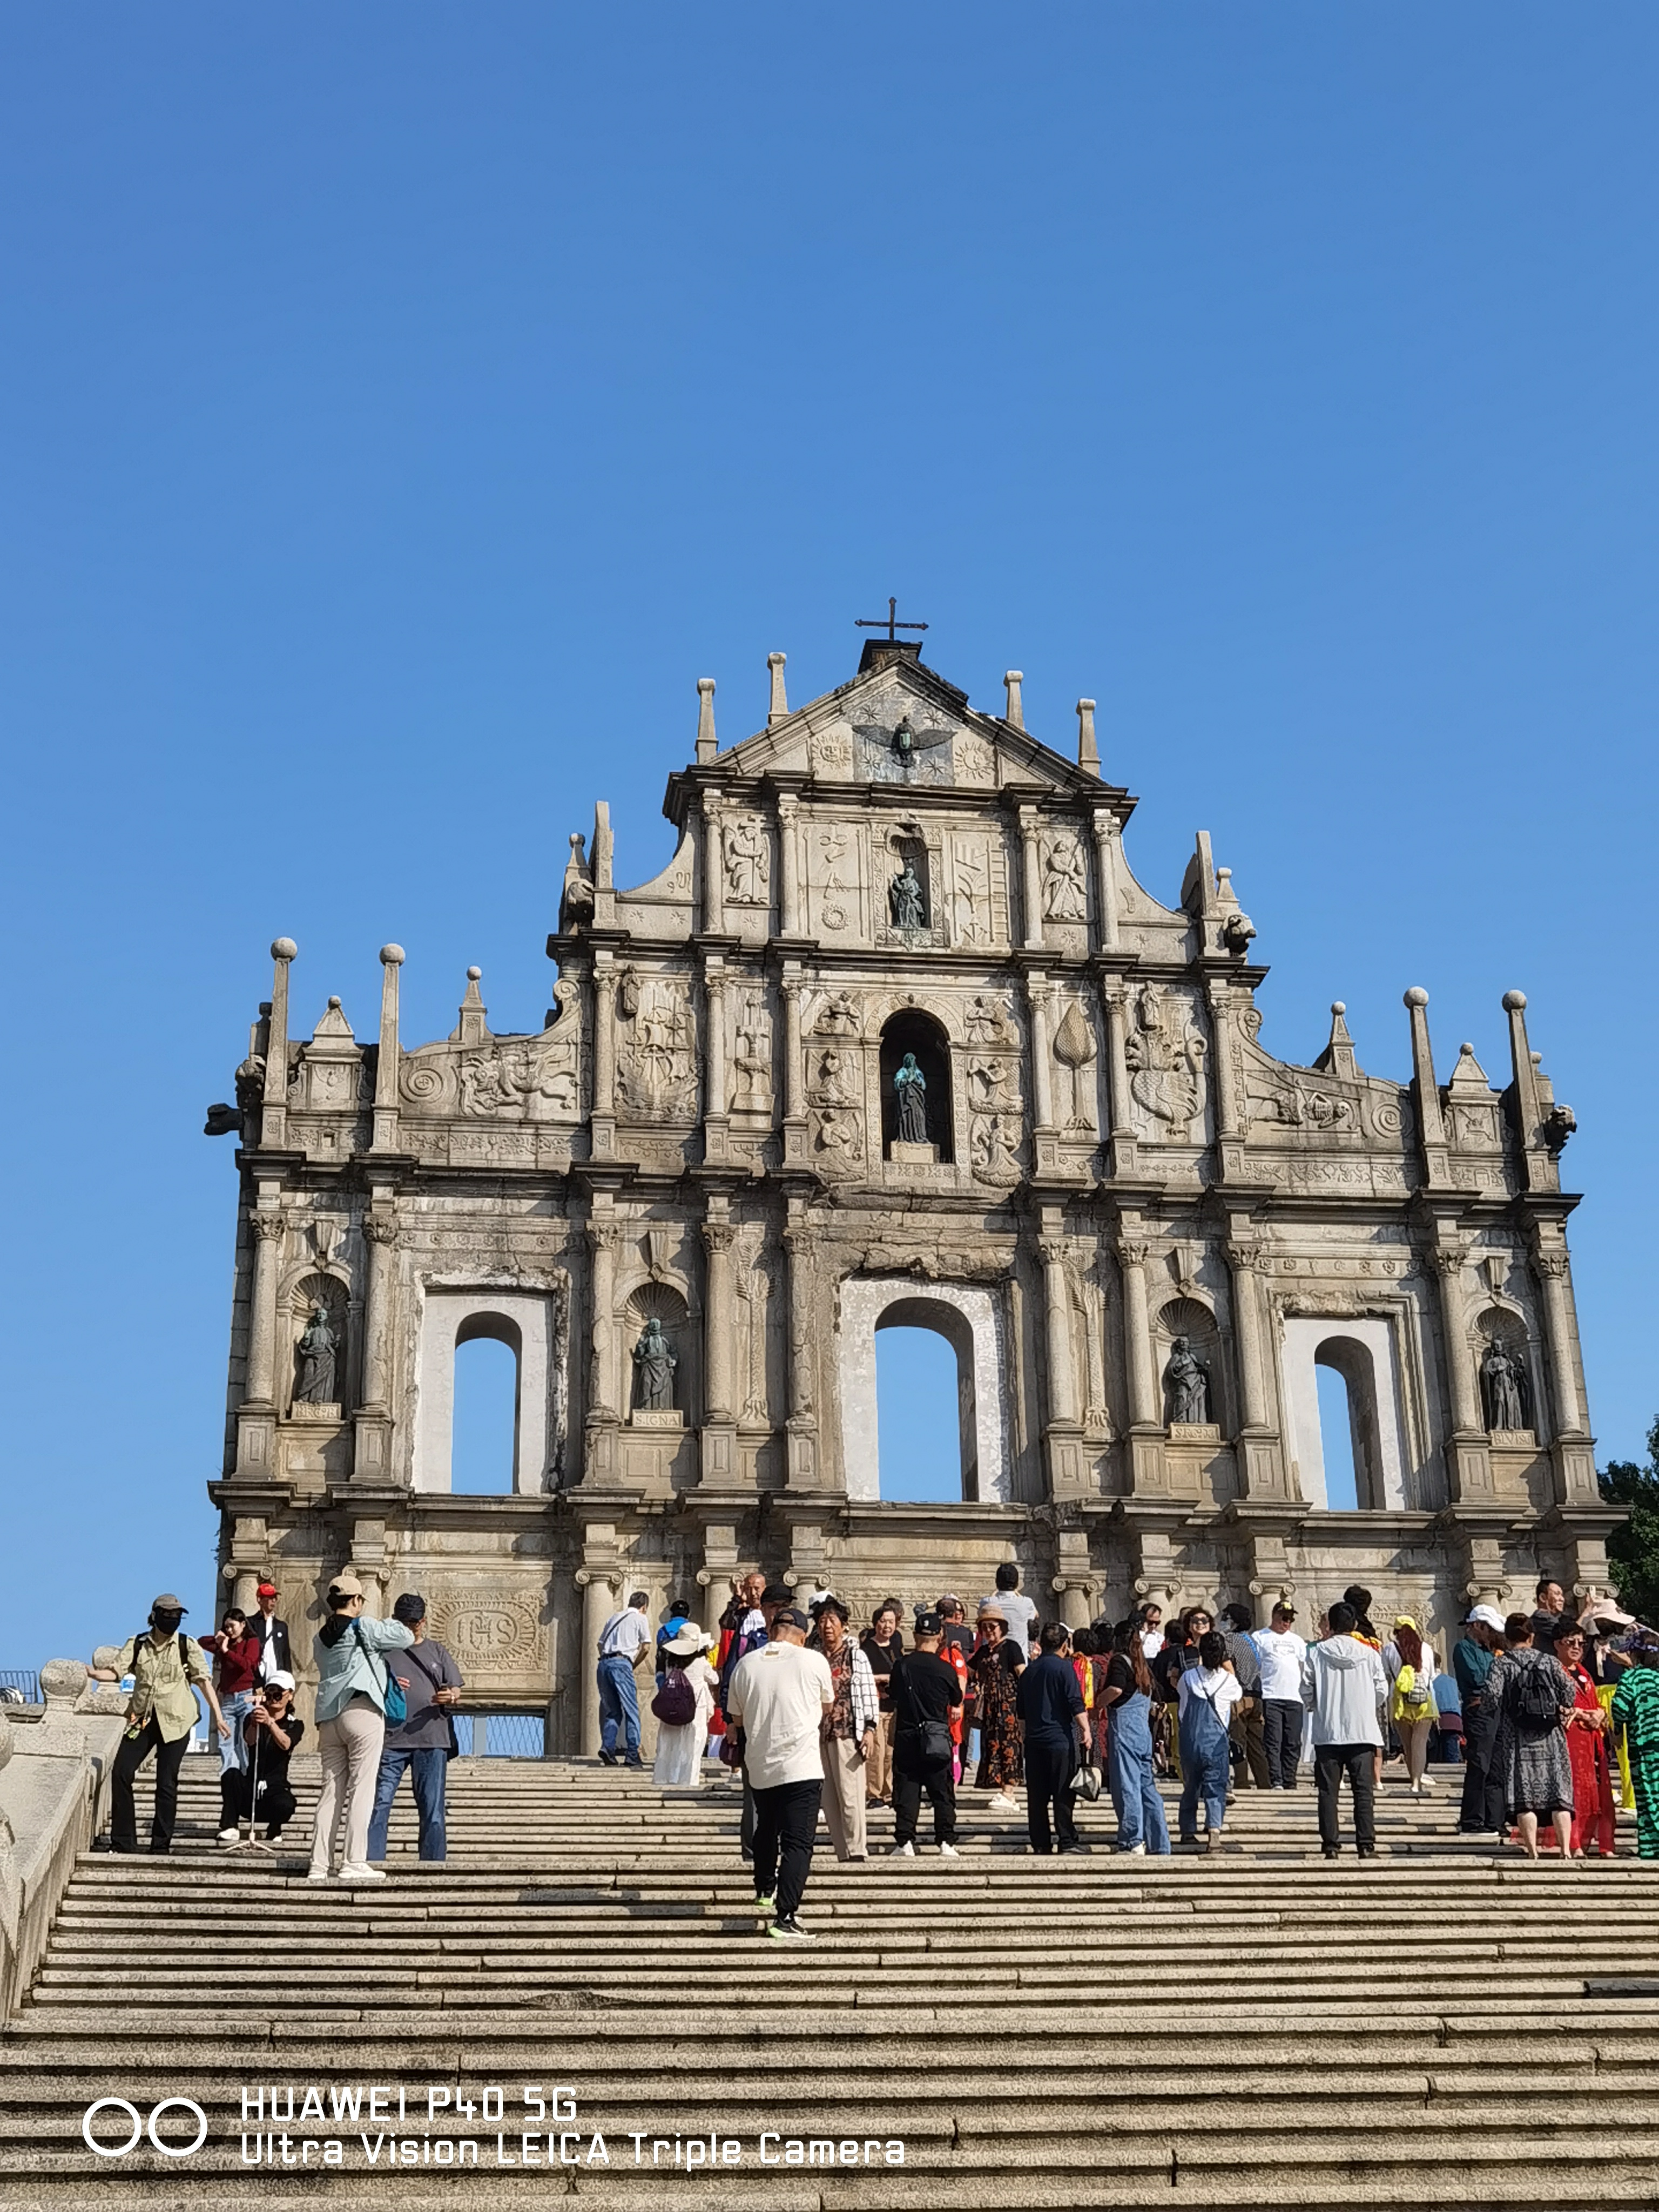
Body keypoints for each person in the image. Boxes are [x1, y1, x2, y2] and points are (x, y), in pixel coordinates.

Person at [89, 1594, 230, 1855]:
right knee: (121, 1772)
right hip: (142, 1718)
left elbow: (203, 1681)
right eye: (167, 1614)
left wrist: (218, 1716)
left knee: (166, 1782)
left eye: (177, 1615)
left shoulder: (187, 1645)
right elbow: (117, 1672)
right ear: (154, 1616)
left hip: (177, 1719)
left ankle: (161, 1844)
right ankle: (124, 1842)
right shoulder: (138, 1643)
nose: (172, 1619)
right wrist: (96, 1674)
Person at [725, 1607, 834, 1940]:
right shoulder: (813, 1660)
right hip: (801, 1764)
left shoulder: (746, 1664)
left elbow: (737, 1718)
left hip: (761, 1764)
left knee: (766, 1830)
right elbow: (828, 1705)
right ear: (801, 1635)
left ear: (773, 1630)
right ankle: (786, 1917)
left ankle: (764, 1890)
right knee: (798, 1842)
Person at [308, 1570, 414, 1883]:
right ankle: (353, 1860)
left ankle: (318, 1864)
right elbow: (405, 1638)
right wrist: (390, 1619)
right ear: (355, 1600)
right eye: (360, 1601)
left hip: (329, 1717)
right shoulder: (363, 1625)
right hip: (361, 1709)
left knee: (331, 1792)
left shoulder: (319, 1638)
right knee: (362, 1788)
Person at [367, 1593, 463, 1863]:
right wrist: (387, 1682)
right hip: (390, 1739)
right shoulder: (382, 1652)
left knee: (432, 1808)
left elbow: (456, 1687)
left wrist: (451, 1696)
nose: (410, 1628)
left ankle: (433, 1865)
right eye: (404, 1622)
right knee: (379, 1804)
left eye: (415, 1622)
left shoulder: (437, 1650)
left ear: (424, 1621)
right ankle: (371, 1861)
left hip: (432, 1738)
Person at [1486, 1611, 1575, 1861]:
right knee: (1559, 1795)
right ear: (1532, 1636)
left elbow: (1492, 1697)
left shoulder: (1502, 1663)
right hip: (1551, 1734)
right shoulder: (1549, 1661)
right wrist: (1558, 1706)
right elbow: (1569, 1691)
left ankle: (1533, 1851)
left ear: (1508, 1637)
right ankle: (1566, 1850)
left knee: (1524, 1798)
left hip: (1517, 1735)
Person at [1304, 1601, 1387, 1859]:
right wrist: (1365, 1705)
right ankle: (1366, 1845)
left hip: (1328, 1732)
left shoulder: (1316, 1653)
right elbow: (1382, 1690)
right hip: (1362, 1731)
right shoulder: (1370, 1654)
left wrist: (1317, 1706)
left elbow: (1306, 1688)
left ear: (1330, 1624)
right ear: (1353, 1625)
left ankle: (1330, 1846)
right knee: (1363, 1791)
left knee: (1328, 1792)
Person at [808, 1596, 879, 1860]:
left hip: (848, 1732)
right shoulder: (814, 1659)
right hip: (819, 1734)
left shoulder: (855, 1655)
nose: (827, 1626)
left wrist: (870, 1729)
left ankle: (857, 1850)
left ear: (843, 1626)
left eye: (832, 1620)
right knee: (829, 1800)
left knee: (850, 1795)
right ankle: (843, 1853)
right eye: (822, 1621)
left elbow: (868, 1692)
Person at [888, 1610, 964, 1857]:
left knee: (907, 1789)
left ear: (915, 1635)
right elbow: (957, 1699)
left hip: (908, 1734)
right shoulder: (946, 1669)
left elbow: (895, 1695)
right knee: (942, 1791)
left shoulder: (902, 1666)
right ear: (940, 1635)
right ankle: (946, 1842)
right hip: (937, 1736)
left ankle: (905, 1842)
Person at [1016, 1621, 1090, 1855]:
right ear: (1064, 1644)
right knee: (1062, 1792)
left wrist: (1023, 1736)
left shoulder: (1029, 1671)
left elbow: (1021, 1712)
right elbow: (1075, 1702)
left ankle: (1041, 1842)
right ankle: (1066, 1840)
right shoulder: (1064, 1668)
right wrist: (1086, 1730)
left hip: (1034, 1741)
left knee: (1037, 1796)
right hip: (1060, 1740)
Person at [1099, 1618, 1170, 1856]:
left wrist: (1099, 1702)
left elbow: (1117, 1689)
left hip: (1126, 1730)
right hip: (1143, 1733)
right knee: (1147, 1788)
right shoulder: (1142, 1666)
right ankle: (1160, 1843)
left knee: (1127, 1785)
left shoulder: (1120, 1662)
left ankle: (1132, 1840)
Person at [200, 1608, 264, 1844]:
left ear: (242, 1625)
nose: (230, 1630)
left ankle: (245, 1800)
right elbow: (202, 1642)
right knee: (229, 1752)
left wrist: (227, 1650)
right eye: (227, 1626)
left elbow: (248, 1665)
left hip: (246, 1697)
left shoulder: (251, 1641)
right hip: (227, 1700)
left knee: (245, 1749)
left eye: (233, 1627)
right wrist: (221, 1640)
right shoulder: (225, 1641)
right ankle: (231, 1809)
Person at [1176, 1629, 1242, 1850]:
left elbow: (1183, 1710)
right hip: (1216, 1743)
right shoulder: (1229, 1681)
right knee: (1216, 1786)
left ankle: (1187, 1830)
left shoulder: (1188, 1678)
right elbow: (1238, 1697)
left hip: (1190, 1740)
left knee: (1190, 1786)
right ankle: (1214, 1832)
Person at [1555, 1622, 1616, 1858]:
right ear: (1558, 1644)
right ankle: (1574, 1842)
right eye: (1571, 1642)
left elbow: (1594, 1704)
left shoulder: (1583, 1672)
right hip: (1570, 1741)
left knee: (1596, 1792)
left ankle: (1603, 1844)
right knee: (1574, 1792)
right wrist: (1581, 1714)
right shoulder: (1556, 1670)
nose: (1577, 1647)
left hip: (1592, 1742)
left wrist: (1600, 1713)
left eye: (1581, 1643)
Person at [229, 1673, 304, 1842]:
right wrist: (256, 1723)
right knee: (231, 1775)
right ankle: (230, 1825)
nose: (273, 1699)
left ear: (289, 1696)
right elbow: (249, 1741)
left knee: (287, 1804)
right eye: (269, 1694)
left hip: (276, 1787)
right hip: (252, 1785)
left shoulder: (295, 1724)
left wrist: (270, 1723)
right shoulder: (252, 1718)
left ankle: (275, 1828)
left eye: (278, 1694)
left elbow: (286, 1744)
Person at [1454, 1604, 1508, 1835]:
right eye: (1488, 1628)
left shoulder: (1489, 1652)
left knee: (1497, 1766)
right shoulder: (1463, 1648)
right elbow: (1477, 1678)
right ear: (1477, 1626)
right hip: (1477, 1709)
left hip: (1495, 1709)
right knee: (1479, 1764)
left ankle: (1495, 1819)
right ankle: (1472, 1819)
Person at [970, 1604, 1026, 1809]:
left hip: (1008, 1706)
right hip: (990, 1707)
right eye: (984, 1627)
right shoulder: (984, 1651)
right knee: (993, 1744)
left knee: (1009, 1745)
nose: (988, 1631)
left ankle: (1009, 1791)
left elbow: (1023, 1673)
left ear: (1002, 1626)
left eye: (992, 1626)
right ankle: (1003, 1790)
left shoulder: (1011, 1647)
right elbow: (969, 1670)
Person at [652, 1622, 720, 1787]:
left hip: (674, 1707)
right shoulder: (701, 1662)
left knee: (671, 1744)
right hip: (695, 1708)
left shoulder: (670, 1662)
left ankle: (669, 1777)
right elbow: (715, 1679)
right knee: (693, 1744)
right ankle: (689, 1779)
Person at [1611, 1640, 1659, 1859]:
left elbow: (1620, 1708)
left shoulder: (1632, 1678)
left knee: (1648, 1797)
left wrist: (1617, 1732)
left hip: (1644, 1747)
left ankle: (1651, 1848)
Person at [1382, 1616, 1440, 1795]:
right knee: (1420, 1743)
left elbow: (1386, 1674)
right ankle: (1417, 1782)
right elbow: (1430, 1675)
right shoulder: (1426, 1648)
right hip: (1423, 1700)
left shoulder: (1390, 1648)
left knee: (1407, 1745)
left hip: (1400, 1700)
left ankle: (1413, 1779)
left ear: (1396, 1631)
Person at [1254, 1602, 1308, 1789]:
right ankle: (1275, 1778)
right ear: (1274, 1616)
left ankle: (1289, 1778)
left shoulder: (1298, 1641)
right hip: (1271, 1695)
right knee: (1273, 1740)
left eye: (1290, 1619)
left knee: (1293, 1741)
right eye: (1284, 1618)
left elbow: (1303, 1666)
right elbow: (1256, 1665)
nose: (1287, 1623)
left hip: (1294, 1697)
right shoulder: (1260, 1637)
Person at [596, 1590, 652, 1769]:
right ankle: (632, 1754)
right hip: (622, 1663)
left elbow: (600, 1644)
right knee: (631, 1711)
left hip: (604, 1664)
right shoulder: (640, 1619)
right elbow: (646, 1648)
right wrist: (631, 1664)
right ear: (644, 1607)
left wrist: (609, 1660)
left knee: (612, 1712)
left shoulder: (614, 1618)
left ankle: (608, 1748)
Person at [1219, 1603, 1270, 1790]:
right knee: (1257, 1744)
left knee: (1238, 1740)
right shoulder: (1253, 1640)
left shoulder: (1230, 1640)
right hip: (1257, 1695)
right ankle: (1264, 1782)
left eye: (1226, 1617)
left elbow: (1226, 1663)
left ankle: (1242, 1782)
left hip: (1239, 1696)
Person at [860, 1601, 905, 1806]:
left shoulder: (896, 1647)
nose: (887, 1626)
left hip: (894, 1705)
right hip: (875, 1706)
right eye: (883, 1621)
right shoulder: (866, 1648)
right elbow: (862, 1676)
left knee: (891, 1751)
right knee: (876, 1752)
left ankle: (889, 1792)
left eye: (891, 1622)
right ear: (875, 1623)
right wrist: (881, 1678)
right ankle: (874, 1793)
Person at [978, 1563, 1038, 1656]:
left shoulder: (987, 1602)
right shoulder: (1026, 1603)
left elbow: (984, 1611)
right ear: (1017, 1582)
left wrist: (995, 1592)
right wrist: (1017, 1593)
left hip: (993, 1660)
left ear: (997, 1582)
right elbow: (1036, 1615)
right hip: (1019, 1660)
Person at [244, 1580, 293, 1683]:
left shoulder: (281, 1626)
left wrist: (289, 1679)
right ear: (260, 1600)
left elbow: (285, 1655)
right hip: (257, 1674)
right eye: (270, 1598)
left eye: (275, 1598)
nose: (273, 1601)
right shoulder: (250, 1623)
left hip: (277, 1675)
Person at [1530, 1577, 1568, 1651]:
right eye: (1557, 1594)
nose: (1562, 1599)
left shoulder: (1556, 1619)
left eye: (1562, 1595)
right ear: (1543, 1598)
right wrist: (1586, 1615)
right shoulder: (1541, 1618)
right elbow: (1569, 1637)